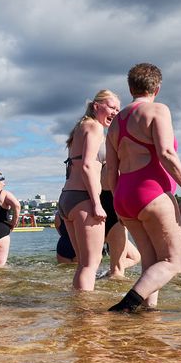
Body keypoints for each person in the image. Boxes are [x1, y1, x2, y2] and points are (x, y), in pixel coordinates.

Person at [106, 63, 181, 312]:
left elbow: (110, 169)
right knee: (176, 262)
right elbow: (167, 152)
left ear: (130, 88)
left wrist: (117, 202)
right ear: (157, 88)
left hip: (125, 196)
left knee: (152, 263)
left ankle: (147, 317)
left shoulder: (116, 124)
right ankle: (124, 307)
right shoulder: (158, 110)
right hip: (151, 192)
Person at [58, 89, 120, 291]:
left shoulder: (80, 127)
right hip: (84, 199)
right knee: (90, 265)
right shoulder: (94, 127)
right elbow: (87, 166)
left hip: (67, 198)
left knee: (83, 265)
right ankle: (87, 316)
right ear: (96, 106)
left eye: (118, 109)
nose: (115, 112)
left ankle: (78, 311)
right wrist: (97, 203)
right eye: (111, 107)